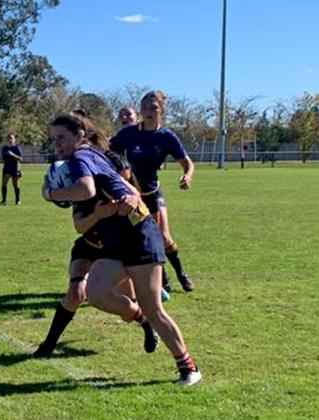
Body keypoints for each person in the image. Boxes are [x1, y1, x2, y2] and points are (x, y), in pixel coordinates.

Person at [43, 112, 201, 386]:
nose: (57, 144)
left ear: (79, 135)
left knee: (155, 310)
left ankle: (188, 367)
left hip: (139, 235)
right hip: (117, 241)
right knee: (96, 293)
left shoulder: (81, 158)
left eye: (62, 137)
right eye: (53, 139)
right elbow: (128, 190)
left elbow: (86, 190)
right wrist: (126, 198)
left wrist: (50, 194)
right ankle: (140, 318)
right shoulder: (93, 155)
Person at [34, 131, 160, 359]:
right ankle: (48, 345)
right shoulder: (88, 187)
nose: (122, 180)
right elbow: (79, 226)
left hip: (116, 252)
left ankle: (143, 321)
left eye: (126, 177)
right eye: (119, 176)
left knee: (127, 308)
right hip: (89, 247)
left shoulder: (125, 192)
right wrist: (97, 214)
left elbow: (141, 210)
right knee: (75, 292)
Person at [110, 91, 196, 293]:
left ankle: (181, 273)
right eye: (145, 108)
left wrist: (188, 176)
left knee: (163, 237)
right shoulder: (129, 133)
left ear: (162, 111)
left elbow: (187, 163)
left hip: (153, 193)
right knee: (143, 238)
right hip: (132, 196)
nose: (149, 112)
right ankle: (162, 279)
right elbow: (107, 149)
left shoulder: (167, 137)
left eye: (154, 108)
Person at [0, 134, 23, 206]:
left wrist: (13, 154)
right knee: (4, 184)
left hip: (15, 168)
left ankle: (17, 200)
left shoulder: (17, 148)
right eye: (9, 138)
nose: (10, 140)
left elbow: (21, 159)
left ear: (14, 140)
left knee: (15, 185)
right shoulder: (4, 148)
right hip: (7, 168)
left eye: (12, 138)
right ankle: (4, 201)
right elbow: (3, 159)